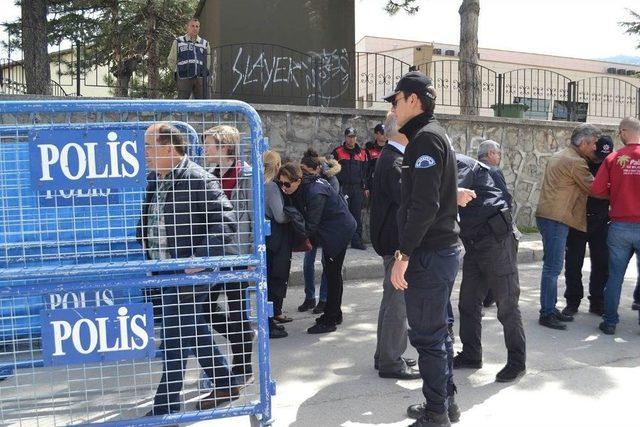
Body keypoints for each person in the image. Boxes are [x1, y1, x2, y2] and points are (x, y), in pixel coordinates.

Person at [139, 123, 240, 415]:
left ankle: (165, 408)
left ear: (169, 148)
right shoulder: (156, 178)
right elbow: (153, 217)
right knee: (189, 331)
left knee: (175, 336)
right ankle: (226, 381)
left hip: (187, 275)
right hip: (163, 272)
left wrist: (200, 258)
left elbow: (227, 220)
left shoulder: (198, 178)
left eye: (149, 146)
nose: (144, 152)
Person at [386, 71, 462, 427]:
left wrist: (403, 255)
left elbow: (424, 206)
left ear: (413, 100)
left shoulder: (425, 140)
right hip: (439, 252)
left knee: (428, 337)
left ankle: (436, 414)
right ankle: (445, 403)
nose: (393, 108)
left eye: (396, 100)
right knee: (439, 331)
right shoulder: (430, 136)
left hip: (430, 254)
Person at [453, 152, 527, 383]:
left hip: (496, 241)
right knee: (468, 302)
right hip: (475, 242)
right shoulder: (449, 165)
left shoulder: (460, 165)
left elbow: (451, 195)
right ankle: (471, 354)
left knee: (507, 304)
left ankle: (517, 361)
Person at [277, 162, 356, 334]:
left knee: (332, 274)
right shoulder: (305, 186)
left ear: (298, 180)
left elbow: (310, 227)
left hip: (338, 231)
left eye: (287, 184)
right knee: (331, 273)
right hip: (333, 230)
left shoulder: (314, 193)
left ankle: (330, 320)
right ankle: (335, 313)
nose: (284, 188)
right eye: (281, 183)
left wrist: (294, 215)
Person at [535, 123, 600, 330]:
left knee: (551, 266)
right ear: (583, 143)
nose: (595, 149)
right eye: (593, 144)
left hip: (549, 216)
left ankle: (549, 308)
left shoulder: (561, 155)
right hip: (557, 218)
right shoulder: (576, 162)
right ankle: (546, 313)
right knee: (552, 268)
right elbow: (595, 189)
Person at [370, 112, 419, 381]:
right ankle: (390, 360)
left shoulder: (391, 157)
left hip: (390, 241)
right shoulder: (393, 161)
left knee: (391, 300)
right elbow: (408, 199)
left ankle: (384, 355)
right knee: (398, 304)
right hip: (395, 242)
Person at [203, 125, 255, 382]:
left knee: (237, 312)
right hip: (213, 253)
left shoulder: (246, 175)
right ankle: (243, 336)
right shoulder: (208, 175)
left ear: (224, 147)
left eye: (209, 144)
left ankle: (243, 368)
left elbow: (256, 218)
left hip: (237, 255)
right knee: (205, 309)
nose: (204, 149)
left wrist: (253, 256)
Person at [592, 117, 640, 335]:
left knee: (615, 276)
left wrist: (615, 194)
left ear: (622, 132)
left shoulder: (613, 158)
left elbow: (597, 190)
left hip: (620, 225)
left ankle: (610, 321)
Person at [562, 135, 613, 317]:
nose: (599, 159)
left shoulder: (611, 164)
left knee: (601, 262)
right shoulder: (580, 162)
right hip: (578, 218)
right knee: (573, 263)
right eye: (597, 154)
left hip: (601, 220)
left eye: (603, 156)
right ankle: (572, 301)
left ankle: (597, 302)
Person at [298, 149, 341, 314]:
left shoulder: (330, 179)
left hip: (325, 227)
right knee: (308, 263)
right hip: (312, 225)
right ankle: (309, 298)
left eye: (306, 171)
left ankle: (323, 299)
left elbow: (332, 201)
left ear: (316, 168)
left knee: (325, 263)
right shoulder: (306, 178)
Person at [263, 150, 291, 339]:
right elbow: (280, 216)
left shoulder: (256, 182)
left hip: (265, 235)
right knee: (276, 276)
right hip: (276, 235)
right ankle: (270, 321)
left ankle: (272, 316)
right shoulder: (271, 186)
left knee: (269, 277)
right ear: (277, 165)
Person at [332, 127, 369, 250]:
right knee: (343, 215)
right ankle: (342, 241)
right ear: (345, 137)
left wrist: (365, 187)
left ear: (356, 138)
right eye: (349, 136)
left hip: (357, 189)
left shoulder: (362, 153)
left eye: (353, 137)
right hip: (344, 188)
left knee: (356, 215)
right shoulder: (337, 152)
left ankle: (356, 241)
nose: (351, 139)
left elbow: (365, 172)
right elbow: (330, 169)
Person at [167, 18, 210, 99]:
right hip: (183, 78)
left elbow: (208, 61)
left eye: (197, 26)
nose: (195, 28)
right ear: (187, 27)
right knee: (182, 103)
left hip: (200, 78)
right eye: (192, 26)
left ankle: (200, 113)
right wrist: (177, 71)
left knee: (202, 103)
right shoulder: (179, 41)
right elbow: (171, 59)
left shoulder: (205, 43)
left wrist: (204, 72)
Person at [365, 123, 387, 193]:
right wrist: (366, 187)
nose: (385, 135)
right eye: (382, 133)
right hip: (373, 184)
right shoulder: (369, 150)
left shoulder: (391, 149)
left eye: (386, 132)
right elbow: (365, 170)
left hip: (387, 183)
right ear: (376, 134)